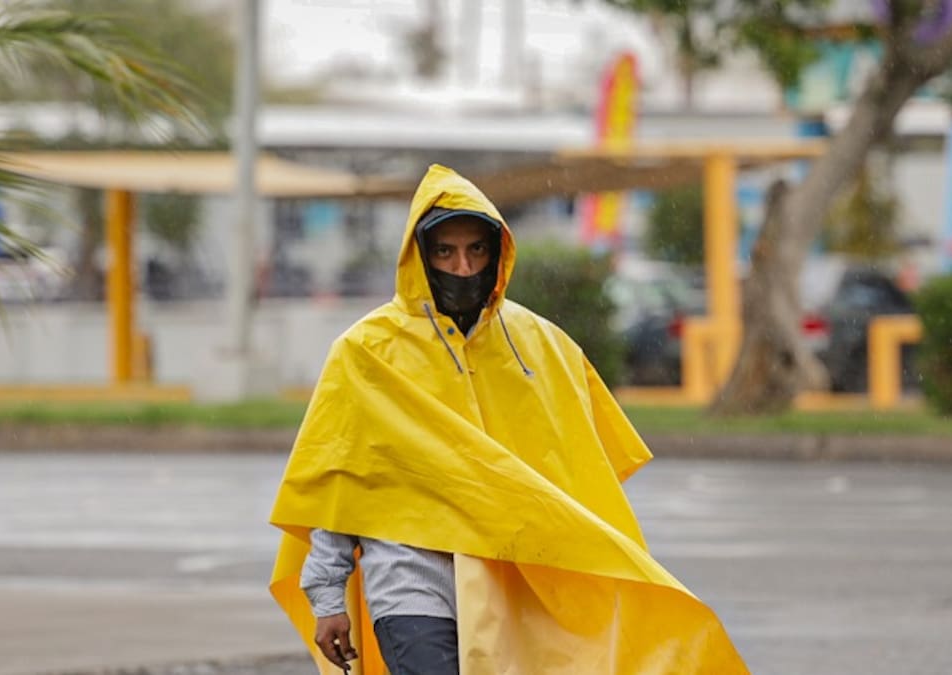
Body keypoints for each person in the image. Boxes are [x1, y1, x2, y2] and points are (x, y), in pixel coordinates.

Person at [269, 164, 747, 675]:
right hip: (408, 584)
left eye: (476, 250)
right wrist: (327, 596)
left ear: (497, 255)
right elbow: (339, 483)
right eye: (445, 252)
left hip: (515, 583)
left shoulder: (541, 346)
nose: (462, 267)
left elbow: (583, 478)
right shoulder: (366, 351)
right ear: (420, 256)